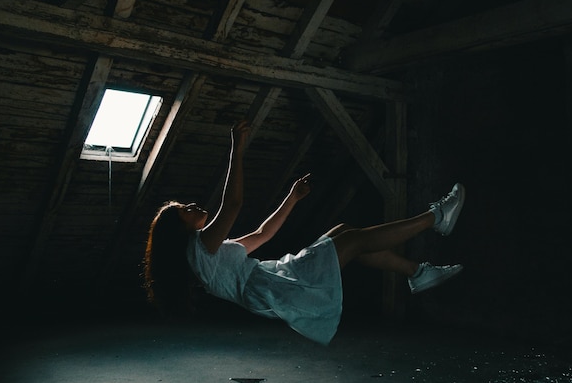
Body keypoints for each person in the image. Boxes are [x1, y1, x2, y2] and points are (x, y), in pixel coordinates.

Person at [143, 120, 466, 345]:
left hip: (274, 279)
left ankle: (416, 273)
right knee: (351, 240)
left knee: (344, 232)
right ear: (178, 229)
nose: (193, 204)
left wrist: (292, 198)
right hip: (276, 287)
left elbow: (262, 234)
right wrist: (237, 151)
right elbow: (233, 204)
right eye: (185, 208)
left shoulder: (208, 254)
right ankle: (435, 217)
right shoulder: (199, 248)